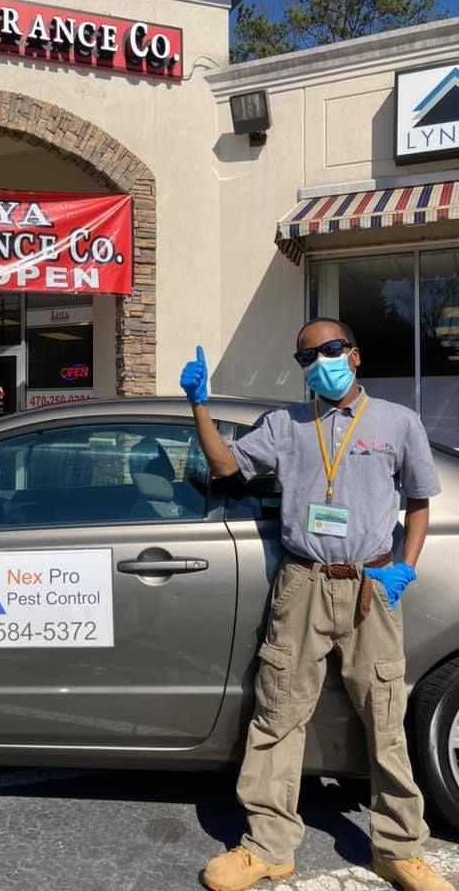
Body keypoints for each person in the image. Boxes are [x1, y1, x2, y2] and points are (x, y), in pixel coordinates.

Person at [180, 318, 452, 891]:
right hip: (302, 583)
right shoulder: (285, 424)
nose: (320, 362)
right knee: (278, 713)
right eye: (307, 356)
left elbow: (421, 501)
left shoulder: (397, 423)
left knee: (384, 717)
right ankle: (268, 846)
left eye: (330, 350)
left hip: (371, 584)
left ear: (353, 355)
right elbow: (226, 467)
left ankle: (399, 848)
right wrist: (199, 406)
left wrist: (405, 565)